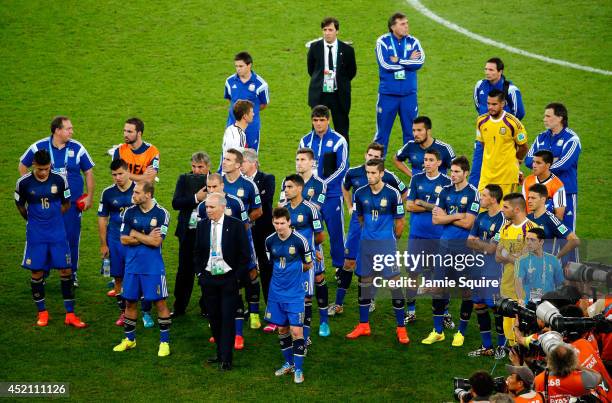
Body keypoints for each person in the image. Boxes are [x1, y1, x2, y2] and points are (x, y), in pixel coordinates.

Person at [330, 142, 407, 317]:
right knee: (348, 263)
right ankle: (339, 303)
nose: (372, 159)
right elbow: (345, 186)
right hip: (359, 224)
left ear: (381, 160)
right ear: (366, 155)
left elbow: (404, 191)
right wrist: (349, 205)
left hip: (379, 227)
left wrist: (394, 210)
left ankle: (369, 299)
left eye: (376, 157)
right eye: (370, 155)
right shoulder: (354, 172)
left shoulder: (388, 177)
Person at [19, 116, 95, 286]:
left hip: (71, 205)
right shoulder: (39, 147)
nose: (72, 131)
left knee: (71, 238)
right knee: (43, 238)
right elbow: (22, 165)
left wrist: (89, 196)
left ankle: (71, 272)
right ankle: (42, 272)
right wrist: (30, 186)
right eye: (68, 128)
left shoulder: (77, 148)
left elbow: (88, 172)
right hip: (45, 206)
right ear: (57, 130)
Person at [16, 149, 86, 328]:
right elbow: (20, 206)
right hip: (36, 235)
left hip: (57, 234)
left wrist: (53, 219)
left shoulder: (59, 180)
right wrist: (34, 221)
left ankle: (70, 314)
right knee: (37, 272)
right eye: (40, 169)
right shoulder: (23, 183)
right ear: (33, 166)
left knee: (66, 271)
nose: (44, 172)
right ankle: (42, 313)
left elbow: (66, 203)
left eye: (47, 168)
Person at [345, 159, 409, 345]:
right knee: (364, 282)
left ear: (381, 173)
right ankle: (363, 325)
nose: (370, 176)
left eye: (374, 173)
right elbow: (360, 218)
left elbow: (400, 223)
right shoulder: (360, 193)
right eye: (368, 173)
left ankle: (401, 329)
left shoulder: (392, 194)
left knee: (394, 284)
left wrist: (390, 240)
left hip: (386, 245)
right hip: (366, 245)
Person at [423, 156, 479, 347]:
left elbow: (469, 223)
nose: (452, 175)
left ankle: (461, 332)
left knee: (466, 291)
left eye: (457, 172)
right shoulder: (445, 191)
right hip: (444, 247)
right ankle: (438, 331)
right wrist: (456, 215)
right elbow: (435, 220)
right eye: (451, 171)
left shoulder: (473, 193)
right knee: (439, 288)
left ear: (466, 173)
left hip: (465, 250)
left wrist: (446, 216)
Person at [113, 181, 171, 357]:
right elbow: (123, 239)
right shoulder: (130, 212)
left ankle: (164, 342)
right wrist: (145, 236)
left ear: (148, 194)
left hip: (152, 267)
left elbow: (156, 242)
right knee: (129, 302)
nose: (133, 195)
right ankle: (129, 339)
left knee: (159, 302)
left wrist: (136, 234)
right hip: (131, 266)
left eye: (137, 192)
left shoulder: (162, 213)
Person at [194, 193, 251, 371]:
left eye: (211, 207)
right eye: (206, 207)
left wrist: (236, 277)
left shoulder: (236, 225)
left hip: (228, 279)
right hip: (209, 279)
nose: (207, 210)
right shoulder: (202, 225)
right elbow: (197, 252)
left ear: (221, 207)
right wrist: (200, 274)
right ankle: (219, 353)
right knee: (214, 317)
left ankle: (226, 357)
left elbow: (245, 255)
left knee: (227, 318)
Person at [278, 148, 329, 334]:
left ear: (312, 163)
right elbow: (280, 206)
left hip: (313, 239)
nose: (299, 162)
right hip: (291, 245)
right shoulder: (288, 180)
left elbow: (315, 207)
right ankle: (291, 323)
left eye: (302, 159)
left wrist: (314, 247)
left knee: (318, 278)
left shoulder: (320, 184)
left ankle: (323, 320)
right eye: (297, 159)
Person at [98, 158, 151, 327]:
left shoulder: (138, 191)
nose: (118, 177)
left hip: (134, 240)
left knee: (139, 274)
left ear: (128, 171)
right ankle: (124, 312)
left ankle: (145, 311)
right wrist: (103, 244)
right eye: (114, 175)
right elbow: (102, 219)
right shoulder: (107, 193)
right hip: (114, 240)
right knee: (118, 277)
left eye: (121, 173)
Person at [298, 105, 348, 278]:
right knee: (311, 231)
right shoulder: (305, 141)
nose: (318, 124)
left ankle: (340, 266)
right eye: (315, 120)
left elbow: (342, 167)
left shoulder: (339, 140)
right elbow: (301, 164)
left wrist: (323, 184)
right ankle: (315, 265)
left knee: (336, 231)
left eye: (322, 120)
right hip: (310, 196)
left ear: (328, 120)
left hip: (332, 195)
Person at [201, 173, 251, 347]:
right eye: (209, 187)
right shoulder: (203, 206)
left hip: (232, 262)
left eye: (215, 187)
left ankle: (238, 334)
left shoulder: (236, 202)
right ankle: (219, 331)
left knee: (235, 298)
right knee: (215, 302)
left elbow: (245, 226)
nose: (212, 190)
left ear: (222, 185)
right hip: (212, 266)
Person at [265, 207, 313, 384]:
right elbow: (272, 262)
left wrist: (295, 270)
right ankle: (289, 363)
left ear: (289, 222)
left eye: (282, 223)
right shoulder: (269, 241)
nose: (279, 227)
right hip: (276, 292)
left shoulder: (300, 241)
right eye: (276, 223)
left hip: (295, 293)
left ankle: (299, 369)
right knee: (283, 330)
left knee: (296, 331)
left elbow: (309, 263)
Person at [403, 148, 449, 324]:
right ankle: (411, 311)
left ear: (439, 163)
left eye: (431, 160)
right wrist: (432, 207)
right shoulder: (416, 179)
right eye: (425, 160)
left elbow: (445, 209)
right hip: (417, 234)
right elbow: (409, 206)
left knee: (440, 275)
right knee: (413, 273)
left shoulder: (446, 182)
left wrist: (421, 203)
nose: (427, 163)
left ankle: (443, 313)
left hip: (438, 236)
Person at [222, 149, 263, 343]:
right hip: (222, 240)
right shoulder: (219, 183)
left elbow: (258, 210)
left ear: (238, 165)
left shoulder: (249, 185)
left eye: (228, 159)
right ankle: (231, 317)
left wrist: (242, 226)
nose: (224, 162)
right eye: (224, 158)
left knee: (251, 272)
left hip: (244, 237)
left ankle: (254, 310)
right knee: (230, 276)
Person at [373, 12, 425, 154]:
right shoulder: (382, 41)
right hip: (387, 95)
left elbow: (419, 62)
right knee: (382, 134)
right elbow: (386, 65)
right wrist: (409, 60)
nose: (406, 26)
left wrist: (400, 60)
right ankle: (376, 167)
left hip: (409, 95)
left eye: (407, 23)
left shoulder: (413, 41)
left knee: (412, 133)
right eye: (402, 24)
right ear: (392, 27)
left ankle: (415, 169)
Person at [525, 103, 581, 232]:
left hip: (566, 191)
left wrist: (541, 166)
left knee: (566, 232)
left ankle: (569, 253)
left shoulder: (572, 139)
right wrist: (548, 162)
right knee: (540, 231)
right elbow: (528, 160)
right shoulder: (541, 137)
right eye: (545, 116)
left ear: (560, 118)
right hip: (543, 193)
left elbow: (564, 164)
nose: (544, 119)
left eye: (548, 116)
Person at [466, 184, 506, 358]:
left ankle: (503, 347)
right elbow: (469, 241)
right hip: (477, 267)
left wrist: (480, 245)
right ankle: (487, 346)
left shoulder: (503, 220)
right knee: (479, 304)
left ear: (493, 199)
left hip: (494, 269)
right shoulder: (481, 216)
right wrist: (484, 246)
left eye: (483, 196)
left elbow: (492, 250)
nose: (480, 198)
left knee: (497, 307)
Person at [170, 152, 211, 318]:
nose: (196, 170)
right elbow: (175, 203)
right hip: (187, 232)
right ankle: (179, 307)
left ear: (208, 167)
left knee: (207, 270)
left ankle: (206, 307)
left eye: (200, 167)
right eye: (194, 166)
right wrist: (196, 198)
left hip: (207, 233)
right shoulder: (184, 179)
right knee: (184, 271)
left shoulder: (214, 180)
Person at [495, 193, 538, 344]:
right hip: (507, 284)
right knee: (508, 325)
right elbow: (497, 255)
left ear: (517, 209)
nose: (502, 210)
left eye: (506, 207)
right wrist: (513, 256)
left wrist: (508, 255)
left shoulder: (532, 229)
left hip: (525, 290)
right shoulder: (505, 227)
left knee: (523, 329)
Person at [307, 16, 357, 144]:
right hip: (320, 93)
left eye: (330, 30)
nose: (327, 33)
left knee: (342, 129)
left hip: (339, 94)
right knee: (317, 128)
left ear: (337, 31)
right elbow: (311, 70)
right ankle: (316, 159)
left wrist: (339, 81)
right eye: (325, 30)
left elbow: (351, 72)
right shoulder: (315, 47)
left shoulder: (347, 50)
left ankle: (343, 159)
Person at [469, 89, 528, 194]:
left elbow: (524, 147)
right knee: (482, 208)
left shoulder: (513, 123)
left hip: (507, 178)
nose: (490, 107)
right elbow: (484, 145)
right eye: (488, 104)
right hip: (486, 177)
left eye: (494, 104)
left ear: (503, 104)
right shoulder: (481, 121)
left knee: (505, 209)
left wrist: (516, 162)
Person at [240, 149, 275, 307]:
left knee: (266, 268)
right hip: (246, 231)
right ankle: (251, 306)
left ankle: (270, 305)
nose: (240, 166)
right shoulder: (240, 182)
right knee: (247, 268)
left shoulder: (267, 178)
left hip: (263, 231)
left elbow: (264, 199)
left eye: (243, 163)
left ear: (253, 163)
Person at [224, 52, 269, 152]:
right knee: (229, 153)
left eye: (241, 66)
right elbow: (230, 99)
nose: (238, 69)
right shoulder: (229, 81)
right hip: (233, 123)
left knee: (250, 154)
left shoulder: (261, 84)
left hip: (251, 126)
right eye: (236, 66)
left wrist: (249, 114)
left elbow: (263, 104)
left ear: (249, 65)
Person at [526, 183, 580, 260]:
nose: (529, 201)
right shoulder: (528, 218)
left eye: (533, 198)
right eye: (528, 198)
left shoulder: (551, 219)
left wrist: (556, 257)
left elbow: (574, 240)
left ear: (543, 199)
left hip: (545, 267)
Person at [534, 342, 603, 401]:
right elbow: (599, 378)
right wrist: (580, 368)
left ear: (550, 360)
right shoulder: (583, 378)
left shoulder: (538, 380)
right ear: (572, 361)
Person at [515, 228, 565, 305]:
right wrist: (521, 300)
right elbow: (518, 282)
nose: (528, 243)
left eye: (532, 240)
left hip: (550, 304)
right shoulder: (521, 261)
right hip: (529, 305)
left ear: (541, 242)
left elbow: (560, 283)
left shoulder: (553, 259)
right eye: (527, 239)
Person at [113, 117, 159, 183]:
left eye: (129, 132)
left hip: (143, 192)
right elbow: (118, 178)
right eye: (124, 131)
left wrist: (125, 174)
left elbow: (149, 179)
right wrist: (143, 176)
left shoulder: (153, 152)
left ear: (139, 133)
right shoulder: (119, 151)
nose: (125, 134)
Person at [522, 150, 566, 219]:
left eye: (538, 163)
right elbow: (523, 206)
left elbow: (559, 216)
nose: (534, 165)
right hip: (529, 224)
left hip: (546, 225)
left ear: (548, 165)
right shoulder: (527, 181)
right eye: (533, 162)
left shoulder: (557, 185)